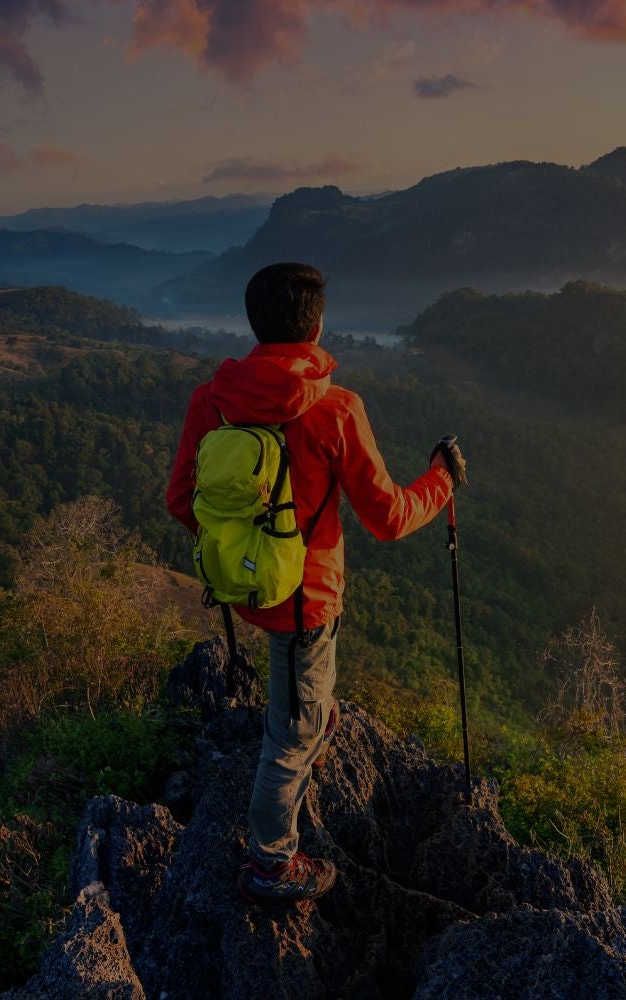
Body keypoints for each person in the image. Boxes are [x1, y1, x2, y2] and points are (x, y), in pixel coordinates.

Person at [165, 262, 466, 904]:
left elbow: (181, 499)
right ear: (318, 325)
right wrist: (440, 481)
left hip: (247, 590)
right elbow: (386, 518)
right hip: (308, 600)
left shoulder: (212, 400)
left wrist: (243, 548)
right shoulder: (336, 409)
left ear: (254, 323)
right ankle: (269, 864)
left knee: (302, 697)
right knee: (289, 738)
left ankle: (312, 715)